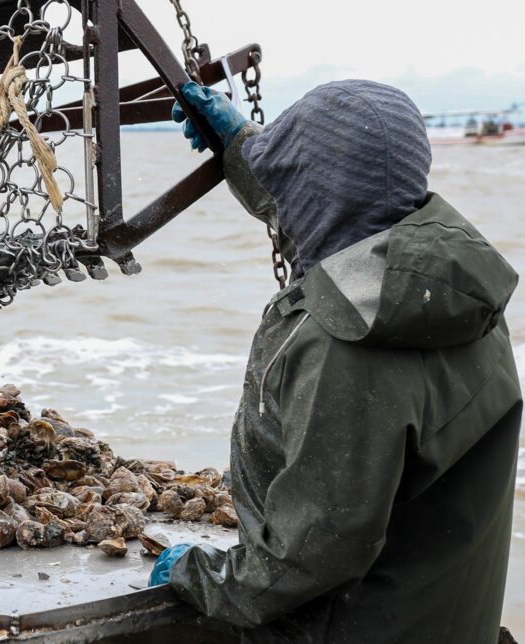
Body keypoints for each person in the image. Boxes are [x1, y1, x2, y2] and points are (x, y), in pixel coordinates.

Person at [152, 80, 521, 642]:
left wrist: (196, 575)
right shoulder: (449, 290)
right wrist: (242, 148)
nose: (287, 191)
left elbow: (310, 556)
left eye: (291, 172)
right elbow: (337, 204)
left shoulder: (344, 347)